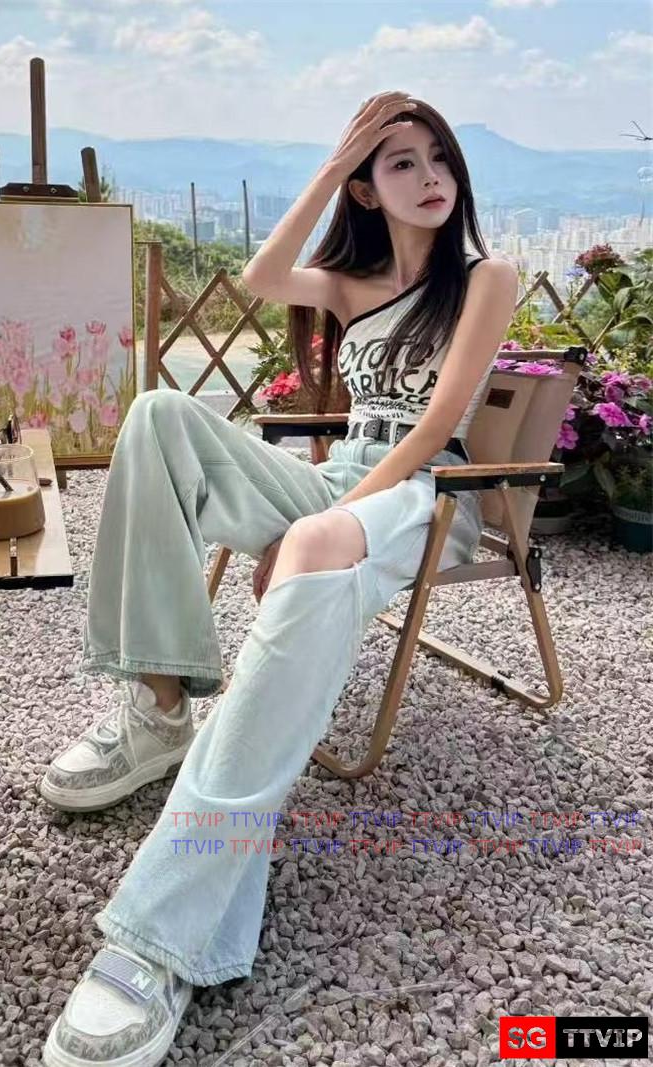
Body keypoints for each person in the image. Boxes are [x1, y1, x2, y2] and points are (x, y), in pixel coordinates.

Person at [39, 90, 519, 1067]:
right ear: (365, 188)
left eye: (438, 157)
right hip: (339, 477)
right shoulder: (355, 283)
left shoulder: (485, 277)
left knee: (313, 544)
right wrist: (333, 163)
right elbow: (262, 275)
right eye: (400, 162)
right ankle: (158, 708)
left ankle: (161, 934)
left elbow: (436, 427)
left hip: (428, 490)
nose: (429, 176)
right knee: (158, 416)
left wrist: (311, 525)